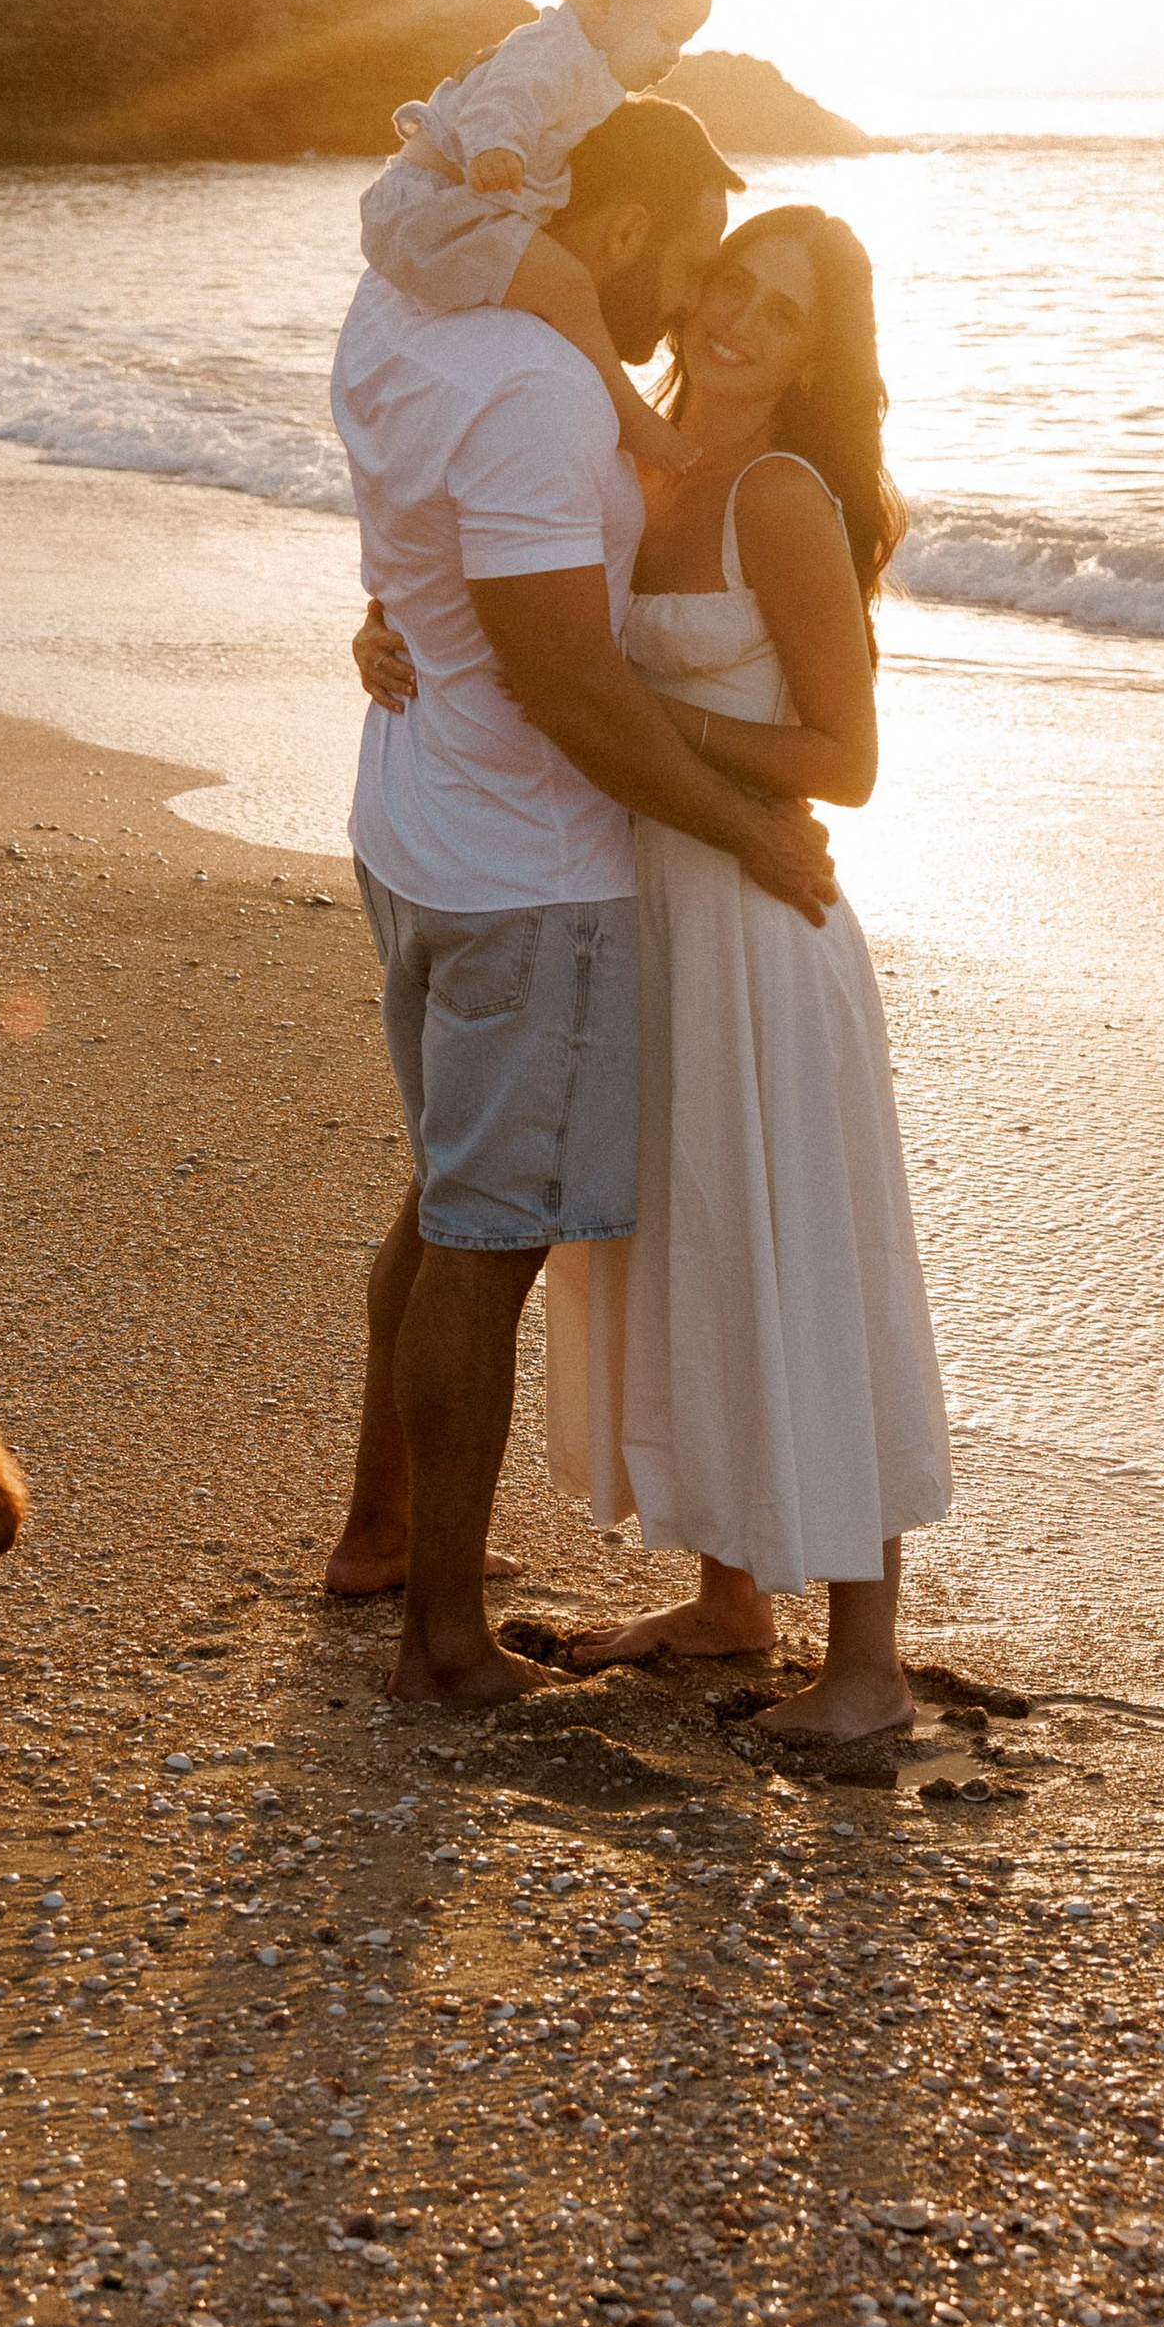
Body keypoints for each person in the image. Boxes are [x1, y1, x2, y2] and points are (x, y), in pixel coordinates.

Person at [356, 205, 950, 1743]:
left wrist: (637, 714)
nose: (739, 320)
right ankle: (730, 1596)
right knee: (696, 1255)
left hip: (757, 924)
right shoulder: (626, 465)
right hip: (639, 908)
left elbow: (848, 760)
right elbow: (520, 602)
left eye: (783, 309)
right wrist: (389, 623)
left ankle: (869, 1661)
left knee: (802, 1260)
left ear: (824, 352)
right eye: (731, 284)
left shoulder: (779, 497)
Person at [357, 0, 714, 473]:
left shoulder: (583, 67)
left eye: (686, 43)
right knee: (569, 288)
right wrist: (500, 145)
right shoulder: (554, 51)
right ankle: (632, 417)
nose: (673, 57)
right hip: (430, 207)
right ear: (603, 1)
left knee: (556, 274)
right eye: (668, 34)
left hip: (435, 207)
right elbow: (509, 98)